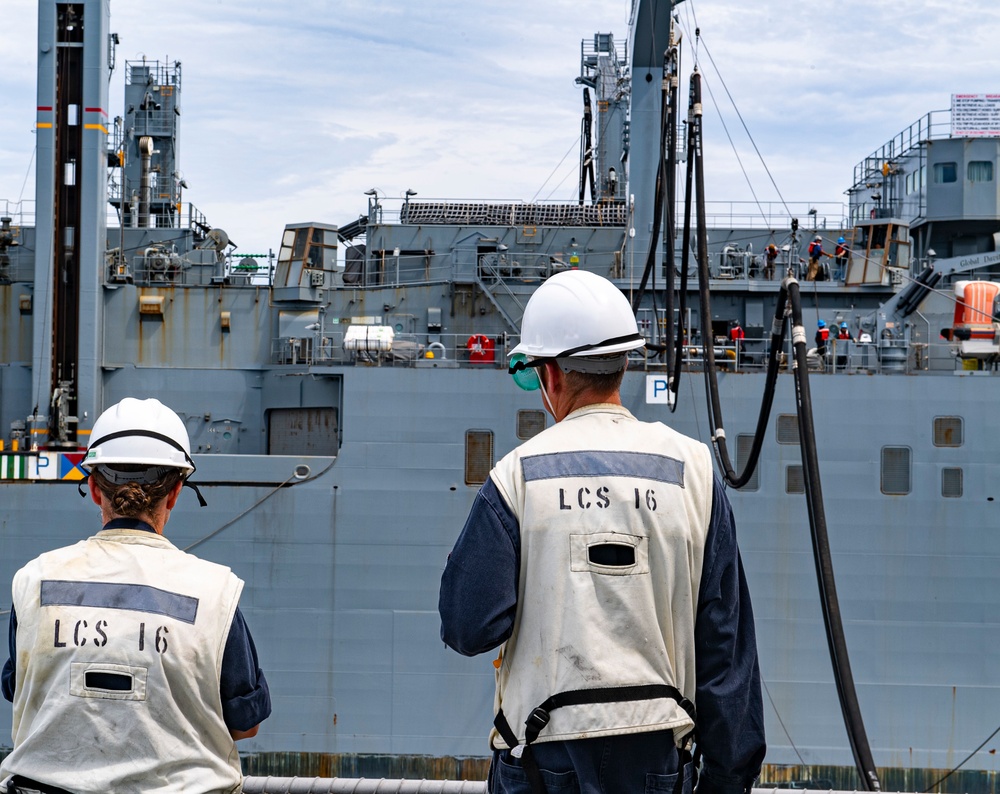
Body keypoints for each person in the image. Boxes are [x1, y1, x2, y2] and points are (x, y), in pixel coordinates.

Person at [439, 270, 765, 794]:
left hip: (542, 761)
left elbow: (467, 626)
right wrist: (727, 780)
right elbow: (725, 651)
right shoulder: (695, 472)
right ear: (624, 363)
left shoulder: (516, 477)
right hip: (659, 760)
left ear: (550, 375)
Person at [1, 398, 270, 794]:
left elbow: (17, 688)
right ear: (176, 491)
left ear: (94, 488)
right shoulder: (214, 594)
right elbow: (245, 723)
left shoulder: (35, 582)